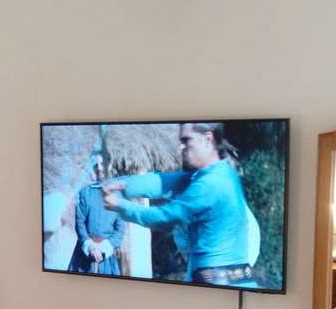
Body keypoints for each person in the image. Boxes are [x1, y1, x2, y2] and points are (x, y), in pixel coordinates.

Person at [102, 122, 256, 286]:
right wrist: (122, 184)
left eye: (186, 140)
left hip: (217, 289)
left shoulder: (209, 185)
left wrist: (120, 206)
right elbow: (164, 181)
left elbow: (163, 218)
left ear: (207, 139)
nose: (181, 147)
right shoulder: (221, 172)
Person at [68, 154, 125, 275]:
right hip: (84, 257)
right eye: (96, 165)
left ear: (109, 165)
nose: (99, 168)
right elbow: (79, 222)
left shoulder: (118, 196)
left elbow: (120, 229)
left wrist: (104, 248)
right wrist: (90, 246)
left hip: (107, 259)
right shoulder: (85, 193)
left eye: (102, 164)